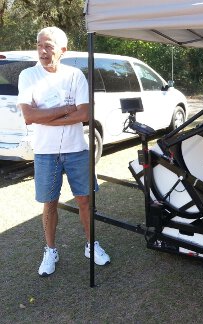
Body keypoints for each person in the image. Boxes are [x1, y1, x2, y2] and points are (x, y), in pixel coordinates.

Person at [17, 26, 110, 277]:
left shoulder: (74, 75)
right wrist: (66, 110)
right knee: (49, 204)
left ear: (63, 50)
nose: (42, 51)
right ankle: (50, 250)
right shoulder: (28, 75)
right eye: (39, 45)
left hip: (77, 149)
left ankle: (92, 245)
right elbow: (29, 115)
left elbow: (85, 114)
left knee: (85, 199)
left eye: (48, 46)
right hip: (45, 152)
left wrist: (46, 117)